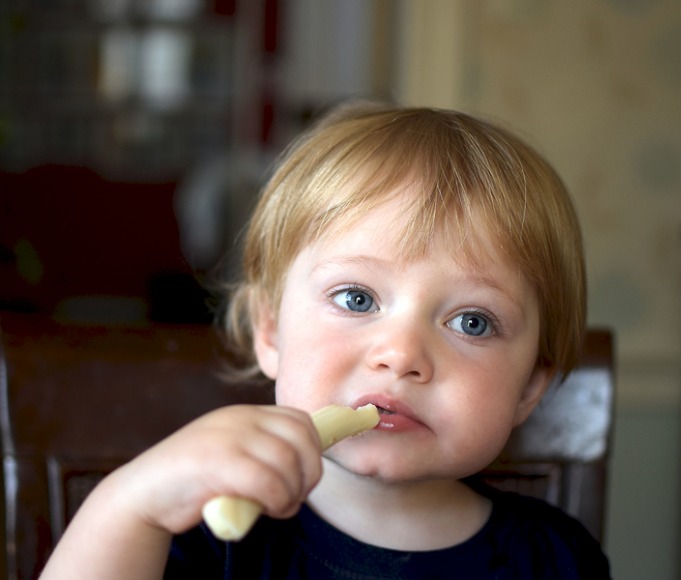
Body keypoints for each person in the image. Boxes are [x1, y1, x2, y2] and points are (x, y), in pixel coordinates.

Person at [40, 103, 611, 579]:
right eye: (357, 299)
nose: (401, 356)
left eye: (472, 322)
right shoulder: (203, 534)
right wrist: (129, 506)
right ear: (269, 331)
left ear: (530, 386)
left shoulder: (557, 560)